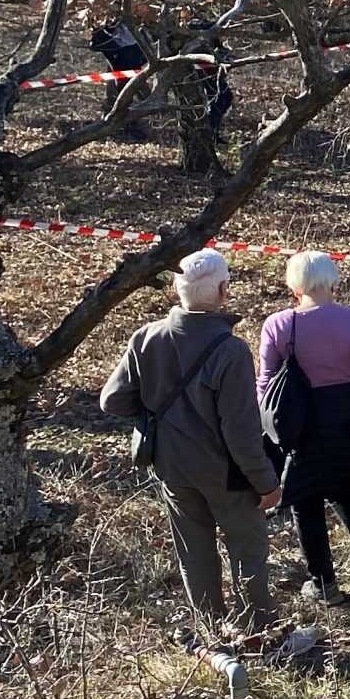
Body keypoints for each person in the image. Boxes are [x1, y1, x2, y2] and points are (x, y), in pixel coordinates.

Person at [101, 250, 284, 635]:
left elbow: (112, 400)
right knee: (248, 552)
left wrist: (155, 418)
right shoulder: (230, 350)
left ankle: (213, 635)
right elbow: (240, 430)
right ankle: (263, 636)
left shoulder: (146, 337)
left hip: (172, 468)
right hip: (227, 475)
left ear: (175, 287)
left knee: (194, 555)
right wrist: (266, 482)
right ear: (223, 290)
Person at [256, 252, 350, 602]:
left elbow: (266, 382)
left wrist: (267, 430)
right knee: (344, 487)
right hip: (348, 415)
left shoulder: (278, 324)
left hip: (300, 423)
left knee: (305, 499)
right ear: (334, 282)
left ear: (294, 286)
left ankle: (324, 585)